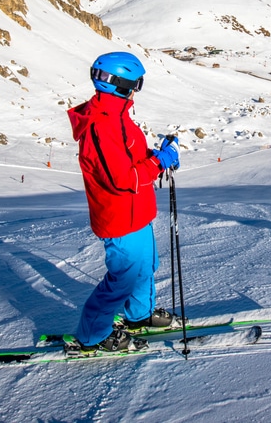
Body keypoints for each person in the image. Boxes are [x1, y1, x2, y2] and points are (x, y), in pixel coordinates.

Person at [66, 51, 181, 352]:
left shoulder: (117, 116)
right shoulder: (101, 126)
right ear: (123, 84)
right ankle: (93, 335)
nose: (136, 90)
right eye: (136, 83)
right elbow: (122, 179)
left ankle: (138, 316)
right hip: (119, 217)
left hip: (137, 212)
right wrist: (158, 164)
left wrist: (157, 155)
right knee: (123, 278)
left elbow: (130, 159)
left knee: (146, 266)